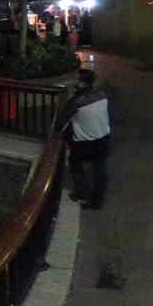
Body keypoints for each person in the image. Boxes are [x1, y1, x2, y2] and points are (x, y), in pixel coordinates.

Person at [54, 68, 111, 210]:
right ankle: (98, 200)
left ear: (81, 83)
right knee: (100, 169)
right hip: (103, 138)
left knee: (75, 164)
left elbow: (61, 124)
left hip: (84, 142)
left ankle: (82, 193)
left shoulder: (76, 102)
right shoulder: (102, 95)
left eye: (76, 79)